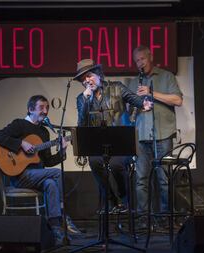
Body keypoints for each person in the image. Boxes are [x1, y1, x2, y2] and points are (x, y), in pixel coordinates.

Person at [0, 95, 80, 246]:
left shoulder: (44, 132)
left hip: (37, 176)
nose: (45, 111)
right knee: (57, 174)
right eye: (41, 108)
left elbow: (48, 161)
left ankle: (56, 229)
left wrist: (62, 151)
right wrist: (21, 144)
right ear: (31, 109)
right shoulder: (19, 124)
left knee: (51, 183)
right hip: (20, 175)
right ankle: (63, 215)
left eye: (47, 108)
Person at [74, 59, 152, 214]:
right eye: (83, 79)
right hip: (98, 145)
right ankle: (111, 199)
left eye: (89, 76)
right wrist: (85, 99)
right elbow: (81, 124)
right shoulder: (81, 98)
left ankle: (123, 198)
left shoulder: (117, 87)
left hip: (120, 143)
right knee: (95, 162)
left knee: (116, 164)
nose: (87, 81)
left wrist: (144, 104)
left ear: (98, 74)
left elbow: (135, 100)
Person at [127, 45, 183, 226]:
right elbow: (129, 114)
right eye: (136, 61)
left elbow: (178, 100)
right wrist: (137, 105)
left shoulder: (166, 76)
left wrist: (152, 93)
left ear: (150, 57)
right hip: (141, 136)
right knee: (141, 180)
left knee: (164, 179)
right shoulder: (134, 83)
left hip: (163, 135)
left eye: (142, 59)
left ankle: (167, 218)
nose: (140, 63)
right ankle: (144, 218)